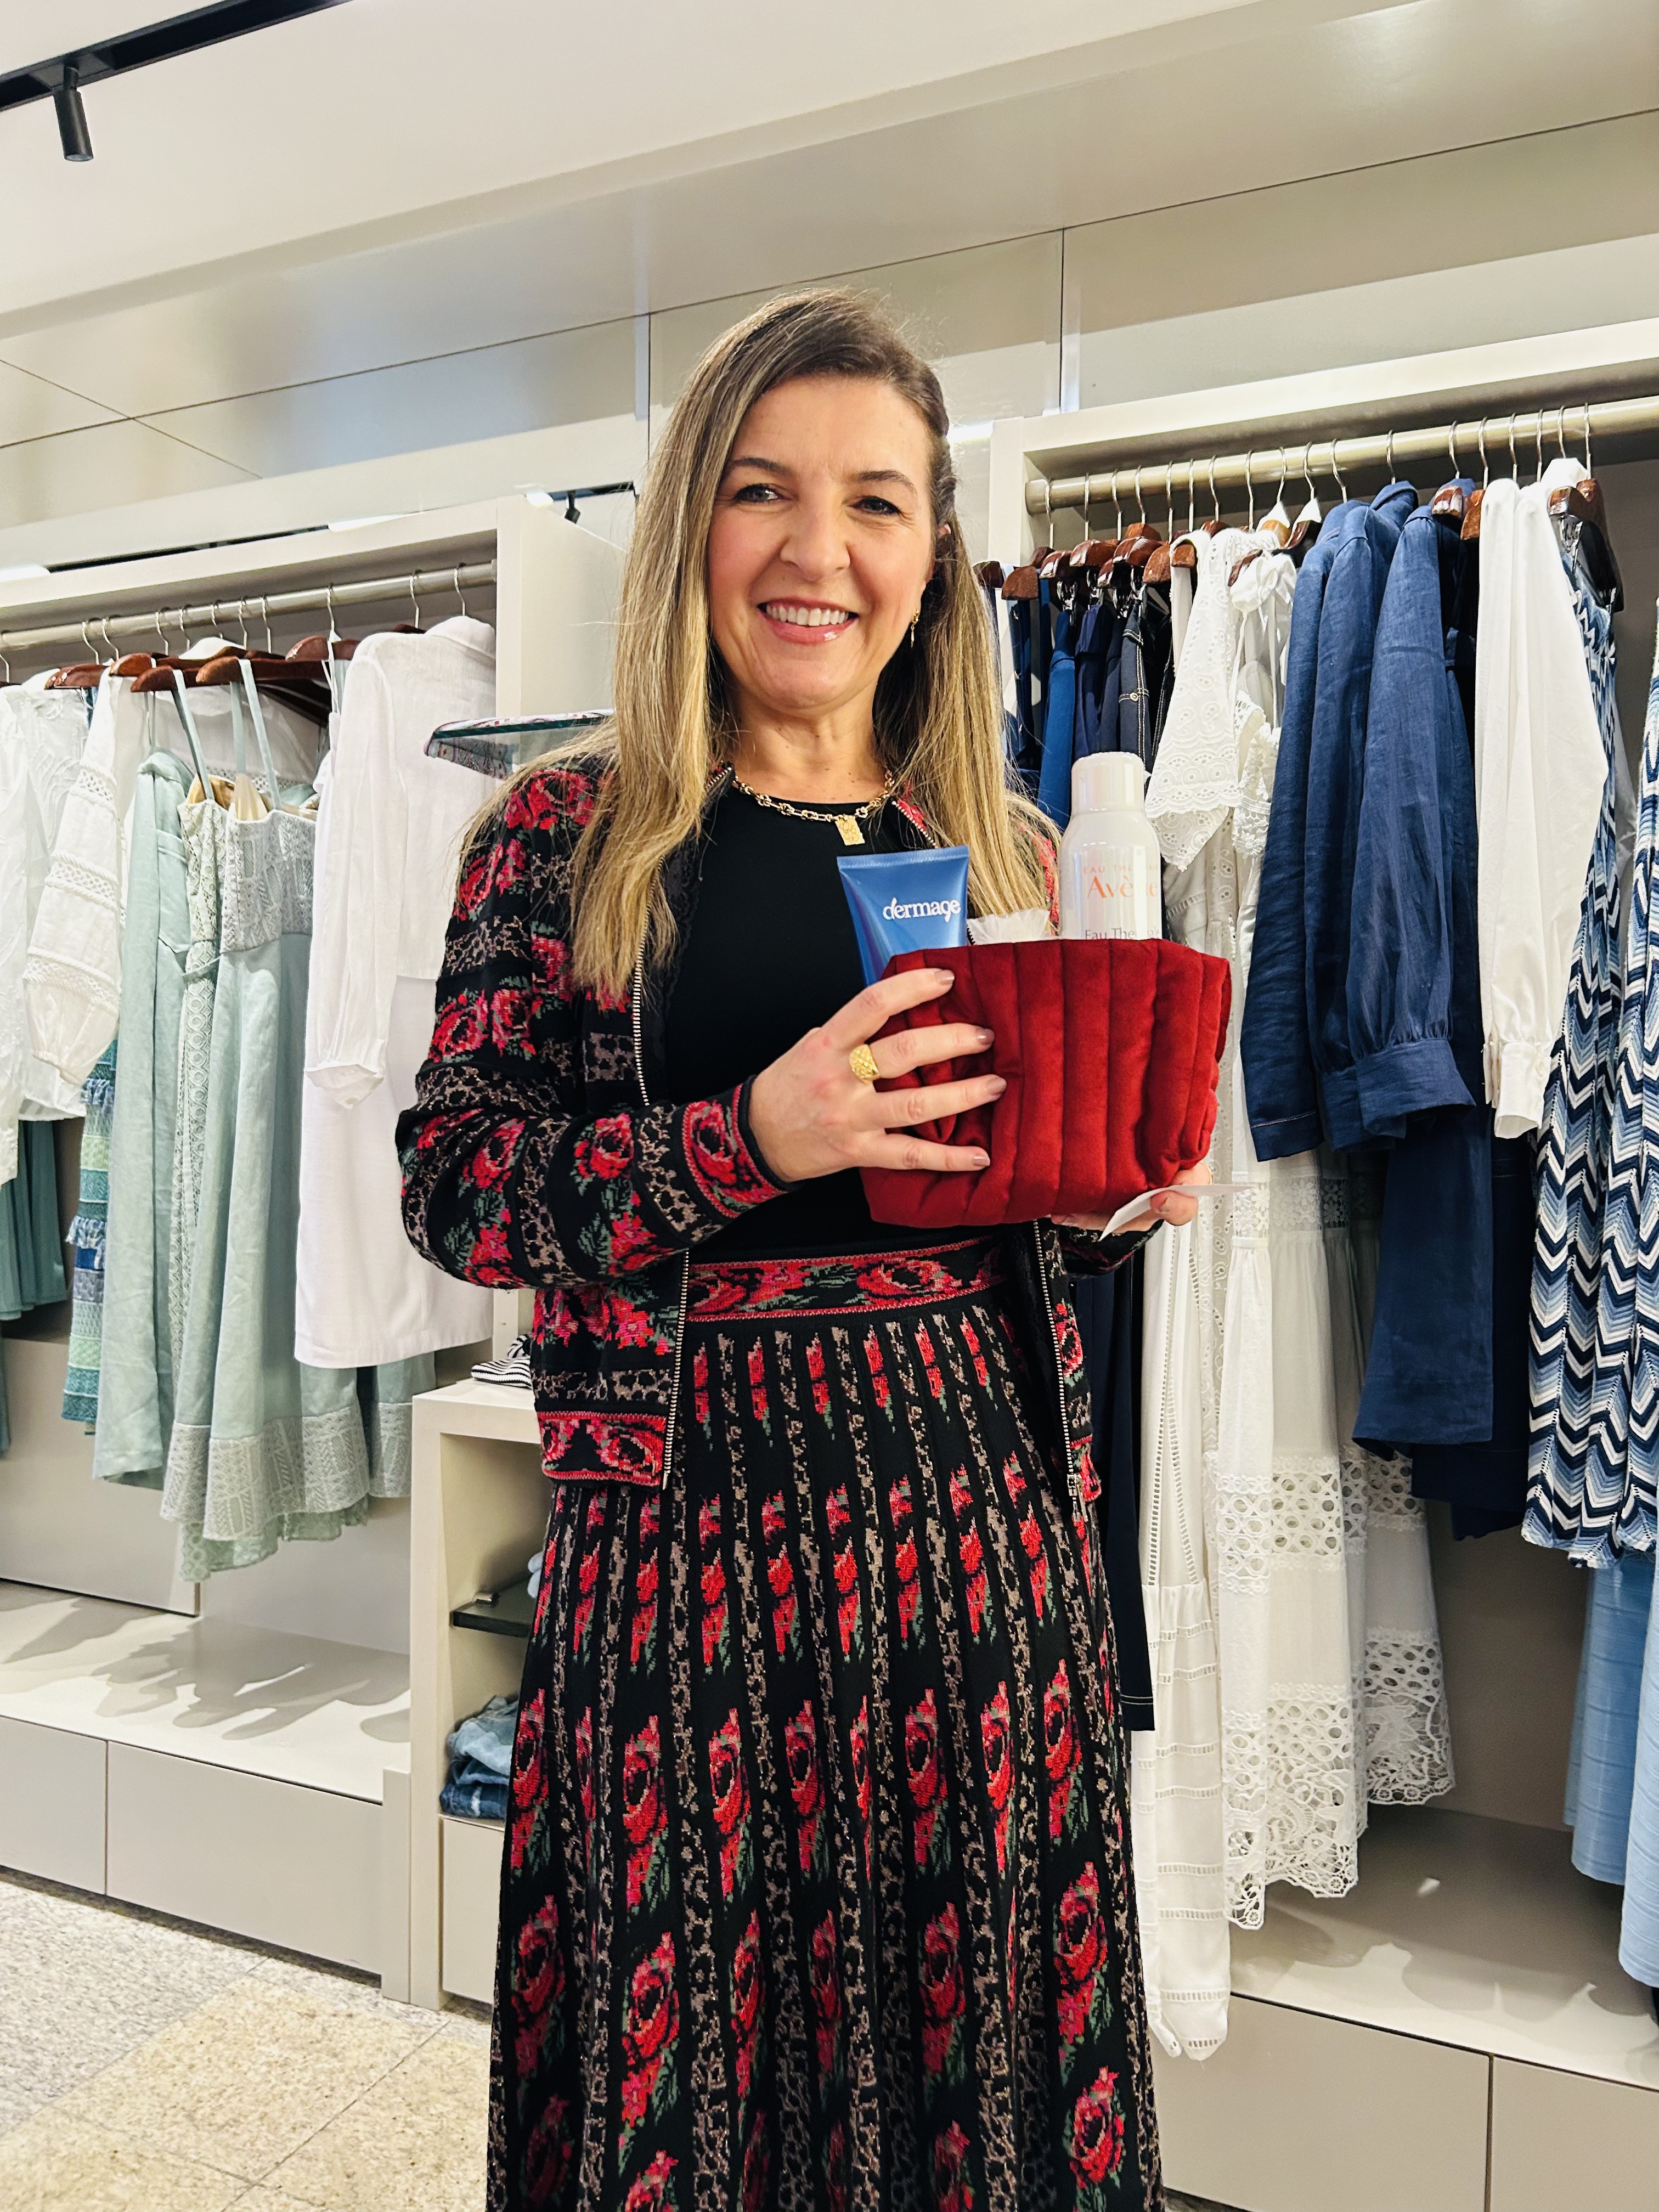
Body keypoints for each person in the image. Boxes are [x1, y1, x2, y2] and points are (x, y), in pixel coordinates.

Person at [400, 287, 1203, 2212]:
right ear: (694, 523)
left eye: (875, 503)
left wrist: (1096, 1201)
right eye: (763, 491)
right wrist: (747, 1137)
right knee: (692, 2079)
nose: (816, 551)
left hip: (977, 1561)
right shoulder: (566, 836)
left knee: (972, 2069)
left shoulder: (1006, 848)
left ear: (933, 560)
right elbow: (459, 1185)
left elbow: (1000, 1206)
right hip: (679, 1574)